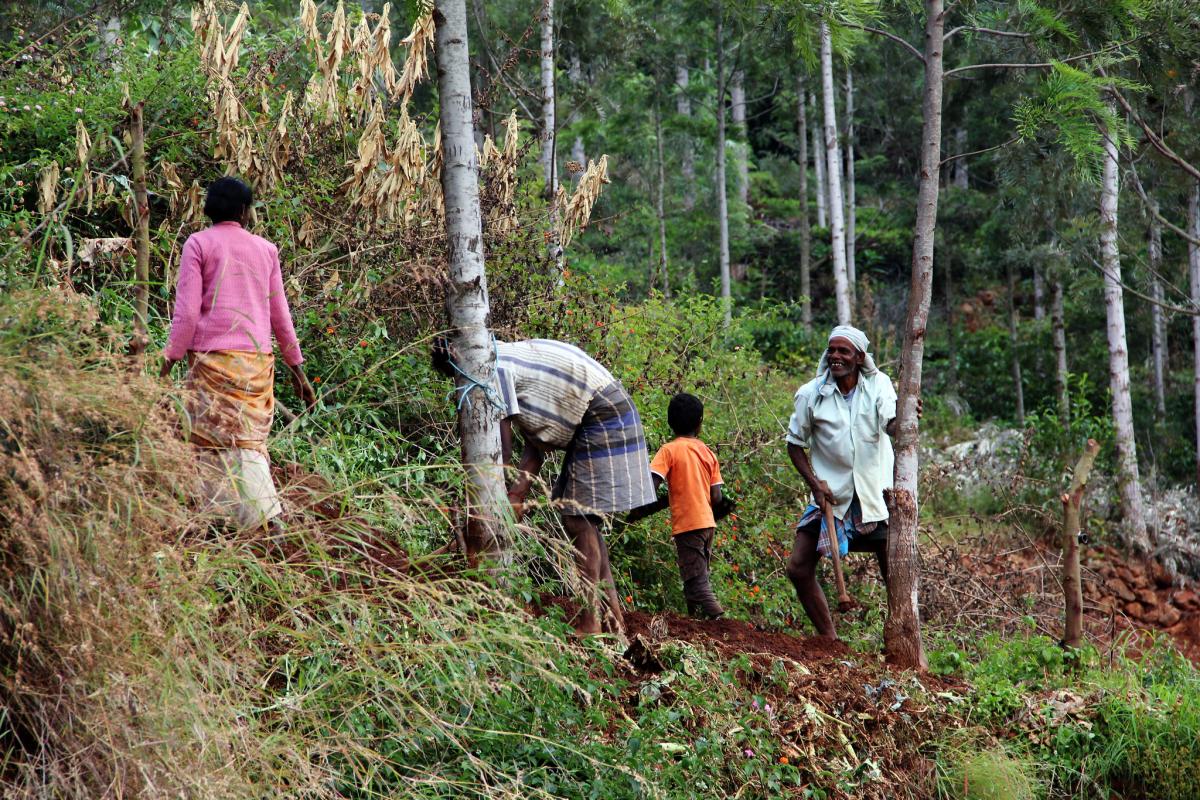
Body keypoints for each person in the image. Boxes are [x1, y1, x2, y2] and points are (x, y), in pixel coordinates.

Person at [432, 336, 655, 636]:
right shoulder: (500, 359)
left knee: (577, 519)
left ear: (461, 366)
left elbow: (504, 451)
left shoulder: (491, 371)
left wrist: (501, 500)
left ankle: (591, 623)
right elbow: (536, 447)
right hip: (601, 408)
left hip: (601, 412)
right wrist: (515, 495)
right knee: (584, 519)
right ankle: (614, 621)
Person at [160, 177, 316, 530]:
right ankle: (228, 520)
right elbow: (281, 317)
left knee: (212, 438)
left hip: (210, 361)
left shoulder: (198, 244)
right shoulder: (266, 250)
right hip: (256, 365)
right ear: (246, 211)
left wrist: (167, 363)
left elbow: (185, 315)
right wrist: (298, 373)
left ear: (209, 209)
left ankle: (261, 518)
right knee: (243, 441)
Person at [783, 324, 917, 639]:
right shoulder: (811, 394)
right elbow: (794, 444)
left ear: (859, 357)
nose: (836, 357)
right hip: (832, 497)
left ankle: (902, 633)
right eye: (832, 350)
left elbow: (892, 424)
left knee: (894, 567)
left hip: (874, 495)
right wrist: (815, 484)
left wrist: (908, 417)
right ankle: (828, 638)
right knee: (798, 567)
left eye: (843, 351)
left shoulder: (879, 385)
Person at [647, 393, 727, 619]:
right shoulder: (707, 452)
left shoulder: (668, 450)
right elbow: (717, 496)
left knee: (697, 581)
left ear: (670, 422)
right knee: (694, 577)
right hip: (707, 524)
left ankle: (720, 623)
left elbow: (652, 484)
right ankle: (696, 625)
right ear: (699, 423)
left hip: (688, 524)